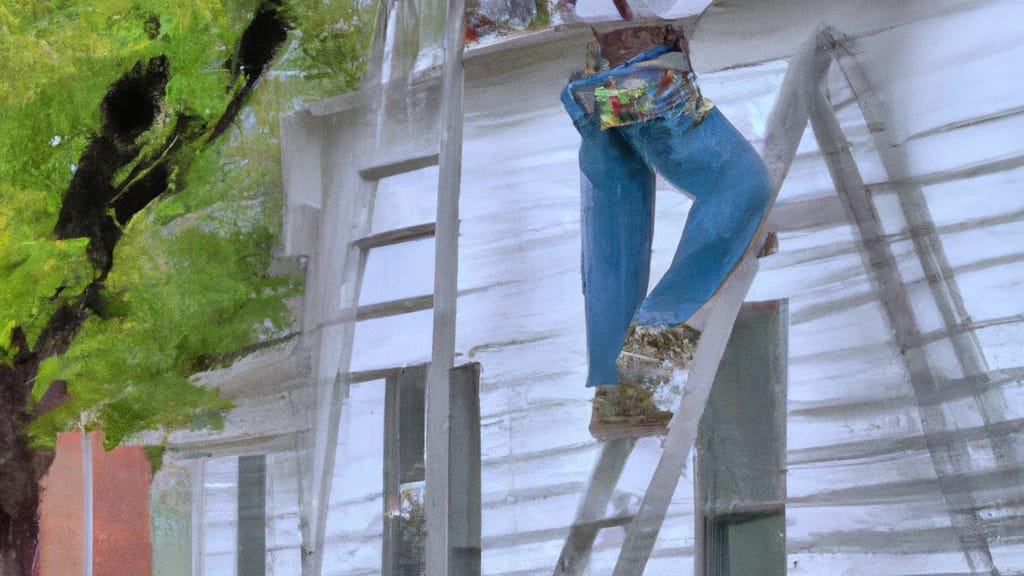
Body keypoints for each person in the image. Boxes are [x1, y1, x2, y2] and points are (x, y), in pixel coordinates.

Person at [561, 6, 774, 438]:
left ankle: (614, 391)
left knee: (615, 242)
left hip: (596, 83)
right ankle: (648, 358)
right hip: (645, 81)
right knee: (740, 185)